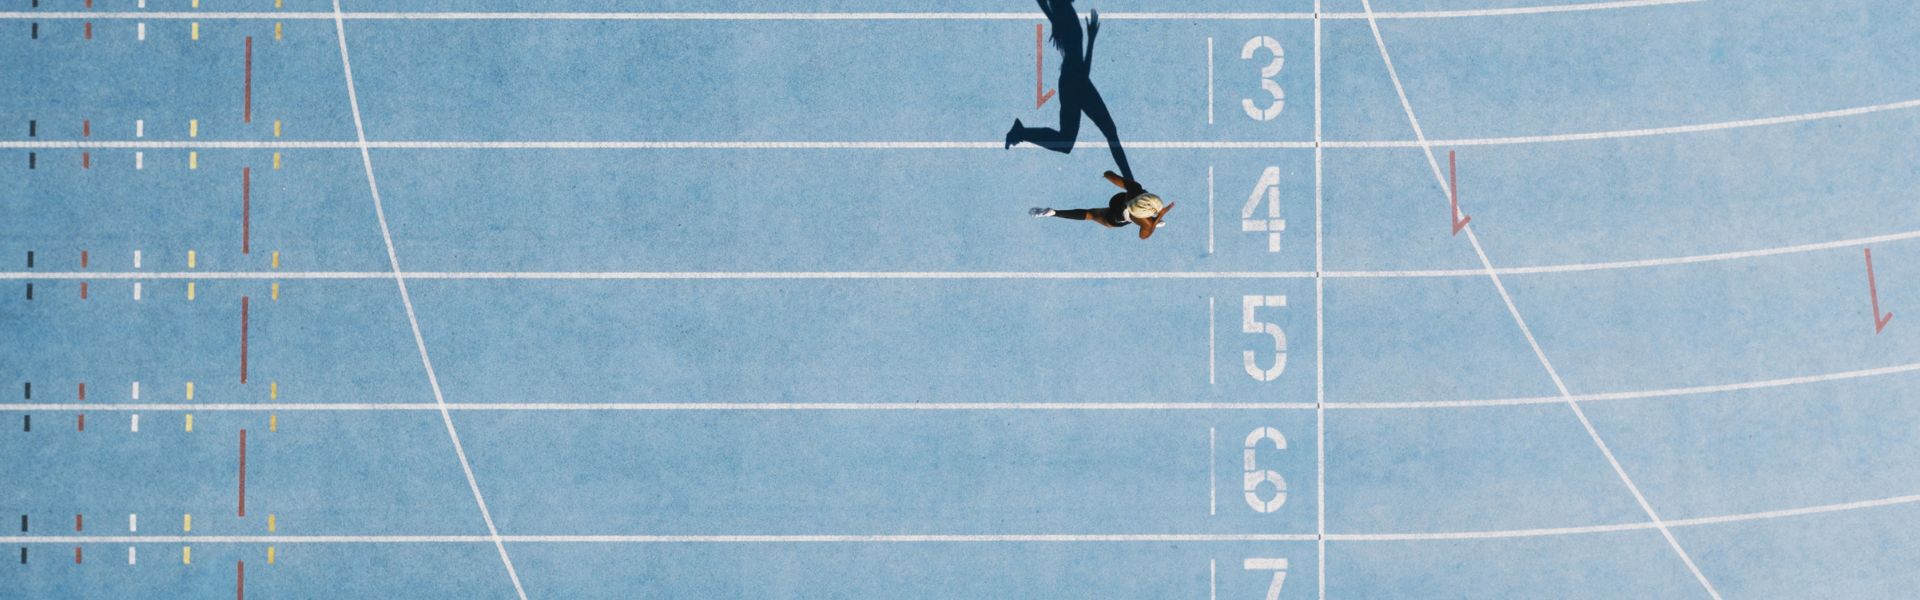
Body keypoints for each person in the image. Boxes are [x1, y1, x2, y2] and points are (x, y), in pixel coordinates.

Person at [1005, 0, 1134, 182]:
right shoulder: (1066, 16)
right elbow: (1083, 68)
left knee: (1069, 141)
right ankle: (1132, 184)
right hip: (1076, 82)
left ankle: (1021, 132)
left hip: (1072, 82)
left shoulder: (1063, 13)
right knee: (1108, 132)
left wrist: (1088, 38)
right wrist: (1090, 40)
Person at [1030, 171, 1173, 239]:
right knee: (1092, 215)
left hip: (1119, 201)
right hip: (1117, 218)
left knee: (1096, 212)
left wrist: (1106, 175)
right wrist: (1158, 216)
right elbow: (1144, 236)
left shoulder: (1136, 188)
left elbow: (1109, 174)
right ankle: (1054, 213)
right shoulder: (1145, 223)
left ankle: (1054, 212)